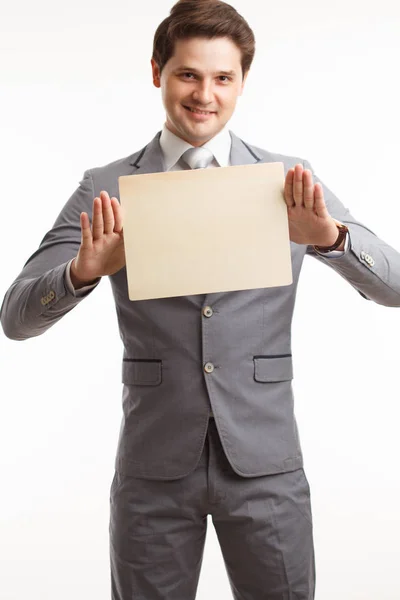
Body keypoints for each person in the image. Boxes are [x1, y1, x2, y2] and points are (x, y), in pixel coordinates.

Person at [1, 0, 400, 598]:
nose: (204, 95)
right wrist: (83, 273)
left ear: (242, 83)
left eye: (223, 78)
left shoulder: (289, 178)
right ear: (157, 70)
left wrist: (329, 239)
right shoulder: (106, 185)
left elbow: (393, 284)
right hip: (153, 468)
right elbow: (16, 318)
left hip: (266, 464)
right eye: (188, 73)